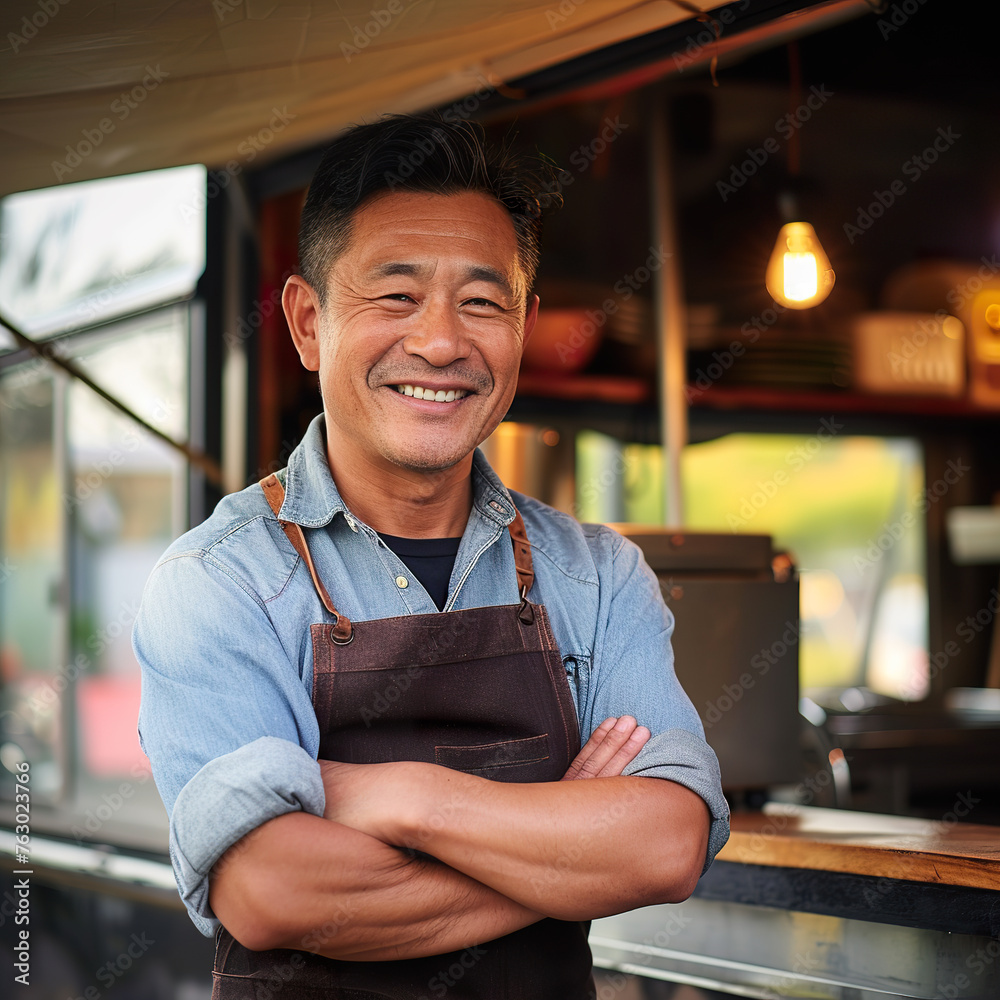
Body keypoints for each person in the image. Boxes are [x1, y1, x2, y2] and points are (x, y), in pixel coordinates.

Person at [134, 112, 729, 999]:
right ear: (307, 322)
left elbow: (665, 846)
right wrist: (565, 849)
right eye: (396, 296)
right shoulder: (217, 582)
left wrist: (404, 796)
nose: (442, 342)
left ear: (523, 327)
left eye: (482, 302)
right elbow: (271, 891)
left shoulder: (598, 577)